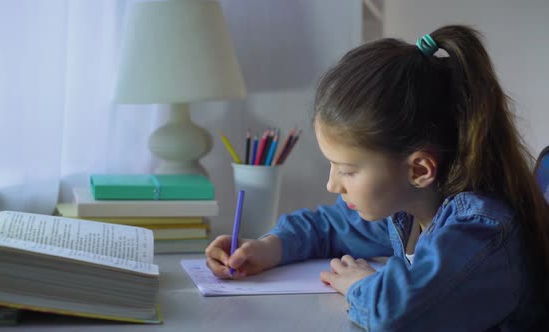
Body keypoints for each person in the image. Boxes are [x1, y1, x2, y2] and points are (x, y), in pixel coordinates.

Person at [205, 25, 549, 331]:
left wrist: (360, 283)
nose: (332, 184)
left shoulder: (479, 231)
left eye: (348, 170)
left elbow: (396, 314)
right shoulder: (411, 208)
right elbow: (330, 226)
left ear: (418, 170)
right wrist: (267, 247)